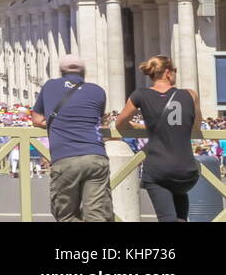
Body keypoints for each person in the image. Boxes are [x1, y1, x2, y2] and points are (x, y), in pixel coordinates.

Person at [114, 55, 202, 222]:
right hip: (187, 170)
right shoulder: (190, 94)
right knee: (181, 218)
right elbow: (196, 126)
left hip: (159, 169)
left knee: (167, 218)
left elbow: (120, 124)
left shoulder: (140, 94)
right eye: (175, 71)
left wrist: (144, 127)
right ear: (168, 72)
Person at [30, 54, 113, 222]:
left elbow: (37, 119)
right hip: (95, 155)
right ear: (84, 73)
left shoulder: (50, 86)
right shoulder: (97, 90)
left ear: (61, 71)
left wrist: (59, 122)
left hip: (65, 158)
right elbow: (98, 118)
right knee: (98, 216)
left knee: (66, 215)